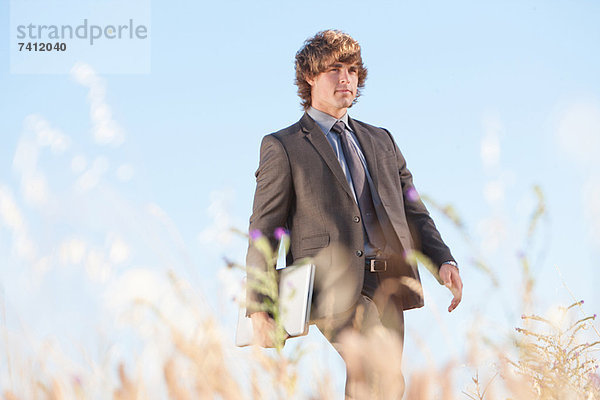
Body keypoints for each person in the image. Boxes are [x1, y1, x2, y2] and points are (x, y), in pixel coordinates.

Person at [245, 29, 463, 399]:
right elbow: (262, 229)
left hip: (391, 282)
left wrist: (442, 260)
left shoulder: (381, 140)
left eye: (351, 69)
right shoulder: (283, 146)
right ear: (310, 77)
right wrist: (258, 306)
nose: (345, 77)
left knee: (384, 384)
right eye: (334, 69)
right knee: (377, 371)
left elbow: (412, 209)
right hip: (330, 283)